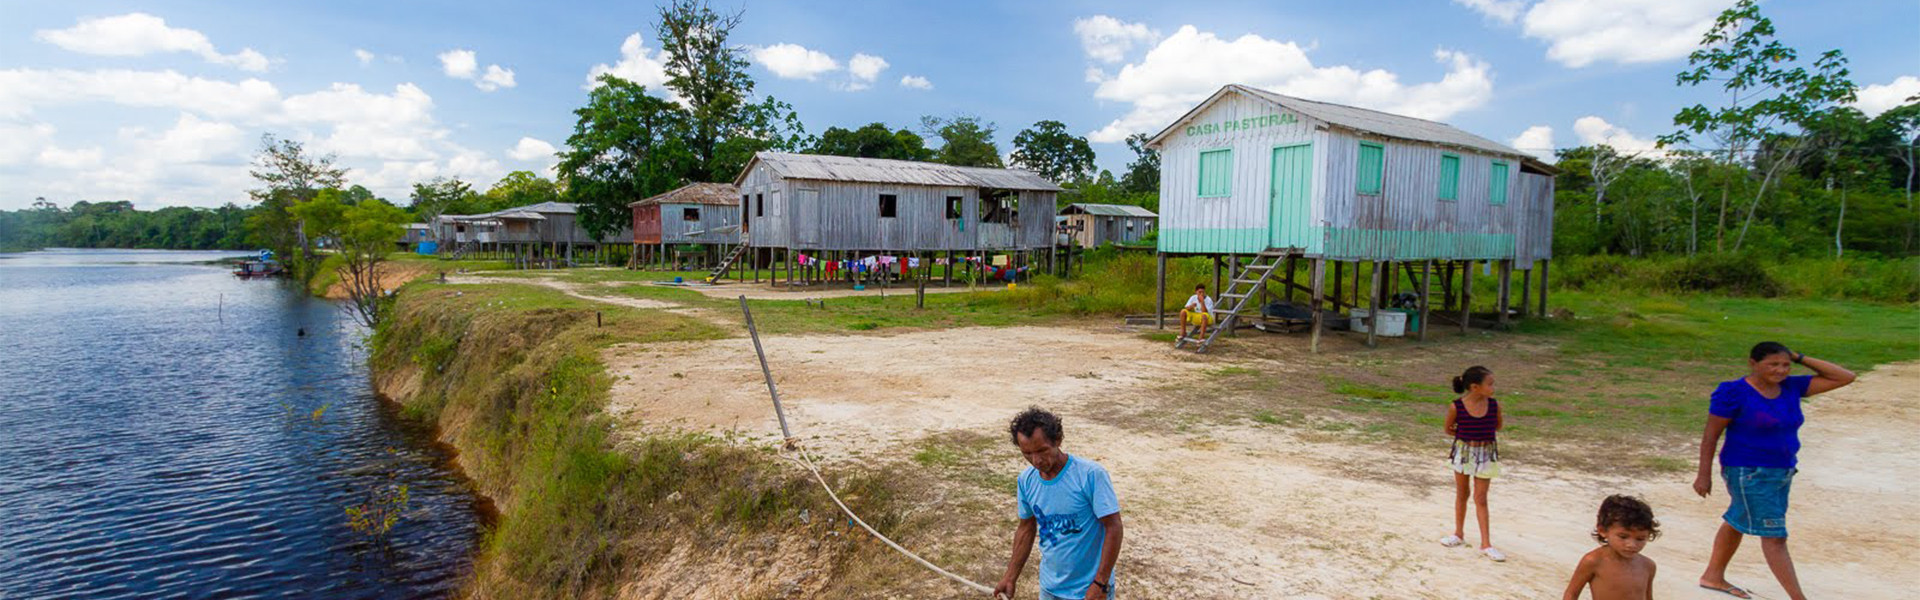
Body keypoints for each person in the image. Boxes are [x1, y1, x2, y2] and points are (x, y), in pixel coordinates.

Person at [1693, 342, 1854, 600]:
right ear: (1752, 363)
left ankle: (1713, 576)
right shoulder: (1733, 392)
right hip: (1748, 472)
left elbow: (1845, 377)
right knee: (1775, 537)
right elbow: (1711, 436)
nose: (1780, 370)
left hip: (1782, 472)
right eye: (1773, 364)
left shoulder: (1791, 387)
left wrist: (1799, 356)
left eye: (1785, 365)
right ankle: (1798, 598)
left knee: (1738, 519)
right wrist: (1704, 474)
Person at [994, 407, 1123, 600]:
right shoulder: (1026, 481)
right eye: (1027, 453)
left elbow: (1113, 527)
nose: (1036, 460)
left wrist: (1100, 583)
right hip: (1050, 589)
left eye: (1042, 450)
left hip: (1089, 590)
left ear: (1058, 440)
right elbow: (1026, 528)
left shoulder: (1090, 475)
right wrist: (1010, 577)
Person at [1439, 366, 1506, 561]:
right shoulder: (1456, 406)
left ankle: (1486, 544)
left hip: (1485, 454)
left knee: (1481, 498)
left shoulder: (1494, 405)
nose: (1493, 388)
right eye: (1490, 384)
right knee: (1462, 494)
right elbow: (1448, 428)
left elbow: (1498, 424)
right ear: (1475, 387)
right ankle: (1458, 534)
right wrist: (1467, 437)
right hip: (1464, 453)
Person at [1562, 494, 1661, 600]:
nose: (1632, 545)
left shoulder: (1648, 566)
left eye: (1640, 539)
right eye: (1623, 537)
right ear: (1603, 531)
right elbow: (1571, 594)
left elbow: (1648, 597)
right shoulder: (1593, 561)